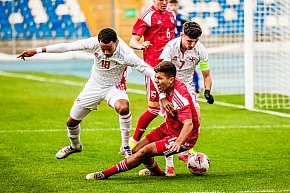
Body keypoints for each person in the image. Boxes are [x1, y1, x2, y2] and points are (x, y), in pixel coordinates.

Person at [17, 28, 157, 159]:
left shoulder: (126, 54)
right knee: (71, 123)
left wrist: (162, 96)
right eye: (103, 49)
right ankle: (75, 146)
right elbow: (68, 47)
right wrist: (37, 50)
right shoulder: (93, 43)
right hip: (94, 86)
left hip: (114, 86)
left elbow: (148, 70)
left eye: (109, 49)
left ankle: (126, 146)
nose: (106, 53)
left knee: (123, 107)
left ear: (116, 42)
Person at [86, 61, 200, 180]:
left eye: (159, 78)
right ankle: (157, 173)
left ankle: (105, 174)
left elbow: (188, 124)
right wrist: (163, 98)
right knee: (136, 150)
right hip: (169, 127)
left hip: (184, 136)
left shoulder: (180, 97)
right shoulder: (166, 84)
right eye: (156, 77)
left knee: (145, 151)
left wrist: (178, 142)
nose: (156, 81)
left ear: (171, 80)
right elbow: (158, 84)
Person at [158, 21, 214, 173]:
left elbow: (206, 74)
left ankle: (183, 151)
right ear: (182, 35)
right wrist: (162, 97)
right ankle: (169, 165)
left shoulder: (201, 50)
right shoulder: (170, 47)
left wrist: (207, 91)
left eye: (195, 41)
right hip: (169, 87)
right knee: (171, 126)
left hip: (187, 88)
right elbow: (160, 75)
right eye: (189, 41)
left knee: (196, 120)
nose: (192, 44)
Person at [129, 0, 176, 176]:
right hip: (154, 71)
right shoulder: (147, 16)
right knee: (156, 109)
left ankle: (178, 155)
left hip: (171, 69)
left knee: (169, 109)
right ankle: (134, 142)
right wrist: (140, 45)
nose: (164, 2)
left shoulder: (171, 14)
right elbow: (133, 41)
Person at [168, 0, 201, 94]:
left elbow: (191, 30)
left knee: (191, 66)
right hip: (173, 48)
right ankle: (174, 88)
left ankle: (196, 87)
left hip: (185, 47)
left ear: (177, 5)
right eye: (171, 4)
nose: (173, 7)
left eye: (175, 5)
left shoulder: (183, 18)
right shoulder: (166, 18)